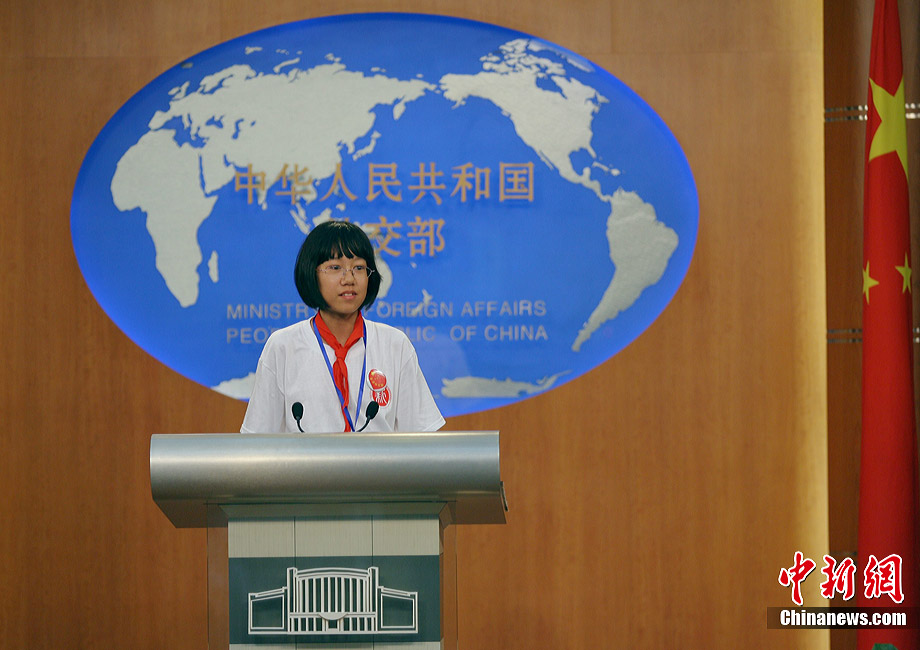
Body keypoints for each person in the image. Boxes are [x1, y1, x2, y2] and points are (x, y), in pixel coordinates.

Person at [241, 220, 445, 434]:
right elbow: (258, 442)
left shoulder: (395, 344)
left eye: (359, 267)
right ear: (311, 273)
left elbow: (422, 439)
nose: (349, 279)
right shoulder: (282, 346)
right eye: (335, 268)